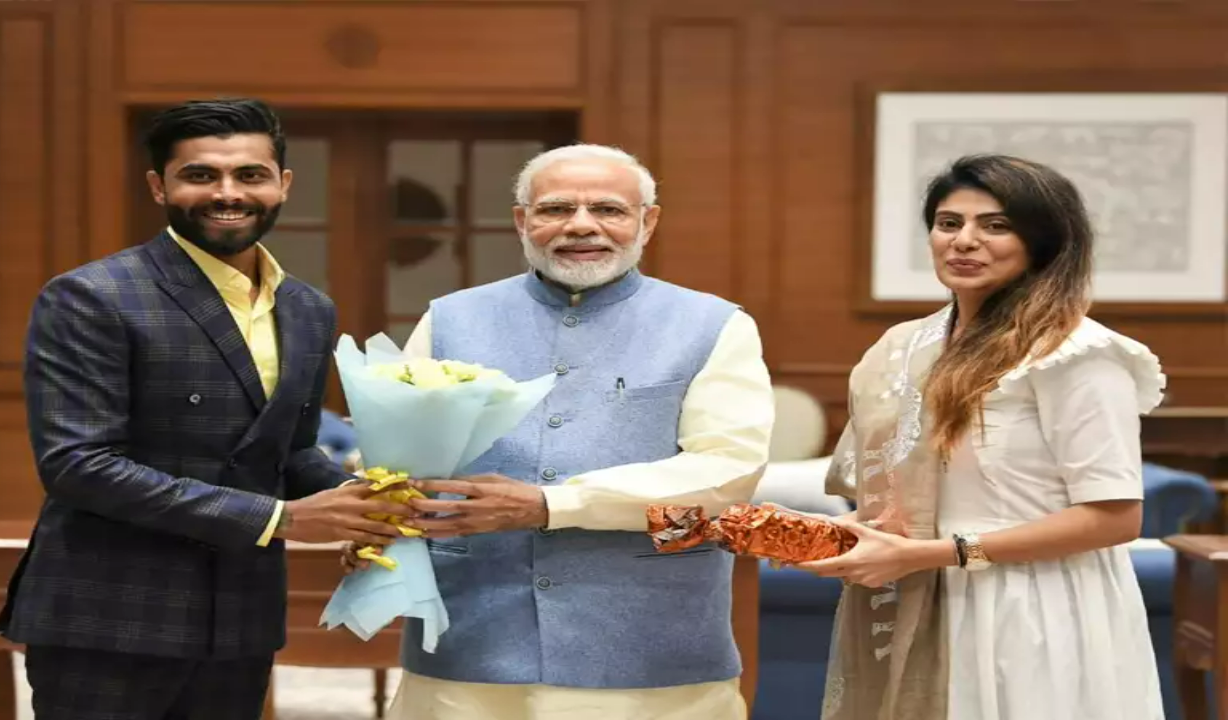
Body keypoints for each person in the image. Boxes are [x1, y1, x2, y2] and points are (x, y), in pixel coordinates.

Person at [0, 98, 412, 720]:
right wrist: (285, 519)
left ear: (282, 185)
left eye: (249, 175)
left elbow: (290, 448)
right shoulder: (92, 296)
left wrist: (369, 501)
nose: (227, 192)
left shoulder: (307, 308)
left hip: (240, 615)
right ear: (159, 187)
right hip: (110, 615)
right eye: (200, 175)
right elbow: (79, 464)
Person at [345, 143, 775, 719]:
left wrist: (551, 504)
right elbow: (399, 457)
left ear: (648, 222)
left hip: (647, 646)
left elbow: (728, 474)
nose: (581, 226)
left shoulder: (714, 325)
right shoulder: (451, 318)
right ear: (523, 221)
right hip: (471, 640)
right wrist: (377, 518)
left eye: (608, 209)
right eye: (554, 209)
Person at [795, 154, 1165, 720]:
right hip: (920, 594)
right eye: (950, 223)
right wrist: (845, 535)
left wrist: (940, 553)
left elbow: (1115, 517)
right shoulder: (905, 348)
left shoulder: (1075, 356)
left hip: (1034, 612)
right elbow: (902, 494)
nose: (965, 241)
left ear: (1043, 242)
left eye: (995, 225)